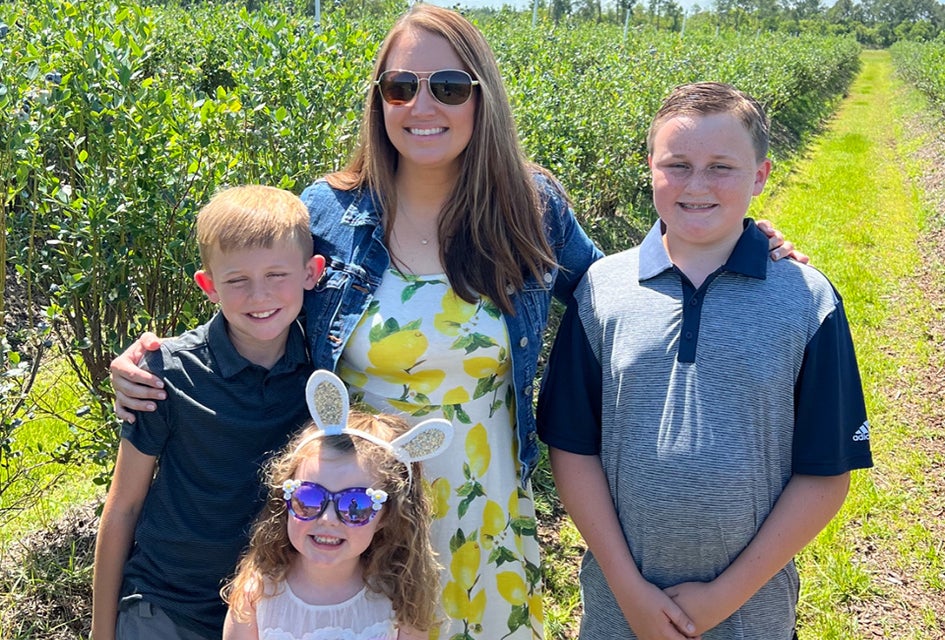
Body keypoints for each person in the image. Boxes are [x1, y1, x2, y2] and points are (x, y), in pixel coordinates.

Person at [108, 7, 802, 637]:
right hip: (354, 519)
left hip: (481, 508)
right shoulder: (327, 211)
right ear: (379, 100)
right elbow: (258, 298)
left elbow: (619, 293)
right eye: (400, 88)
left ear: (480, 96)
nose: (421, 106)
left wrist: (735, 239)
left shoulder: (529, 206)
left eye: (447, 87)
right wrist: (156, 360)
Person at [536, 81, 874, 640]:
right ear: (650, 168)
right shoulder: (602, 290)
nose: (697, 185)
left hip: (751, 613)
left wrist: (722, 597)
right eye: (678, 164)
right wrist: (630, 591)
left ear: (761, 176)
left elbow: (826, 474)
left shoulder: (806, 300)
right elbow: (573, 448)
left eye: (722, 167)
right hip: (619, 607)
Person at [91, 185, 325, 640]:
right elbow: (123, 506)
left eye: (277, 274)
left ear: (310, 273)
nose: (259, 295)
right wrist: (101, 632)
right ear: (209, 286)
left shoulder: (325, 371)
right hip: (165, 605)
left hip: (272, 612)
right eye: (237, 280)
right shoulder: (165, 375)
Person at [222, 369, 453, 640]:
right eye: (309, 498)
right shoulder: (256, 594)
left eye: (355, 505)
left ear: (388, 516)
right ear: (285, 500)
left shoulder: (398, 604)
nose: (329, 518)